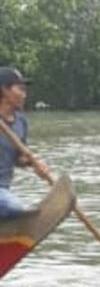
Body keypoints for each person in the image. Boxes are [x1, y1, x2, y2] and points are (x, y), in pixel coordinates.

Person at [0, 66, 47, 217]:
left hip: (3, 189)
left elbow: (19, 158)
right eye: (20, 89)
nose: (24, 94)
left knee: (13, 208)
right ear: (5, 90)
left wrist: (33, 163)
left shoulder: (20, 121)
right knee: (14, 208)